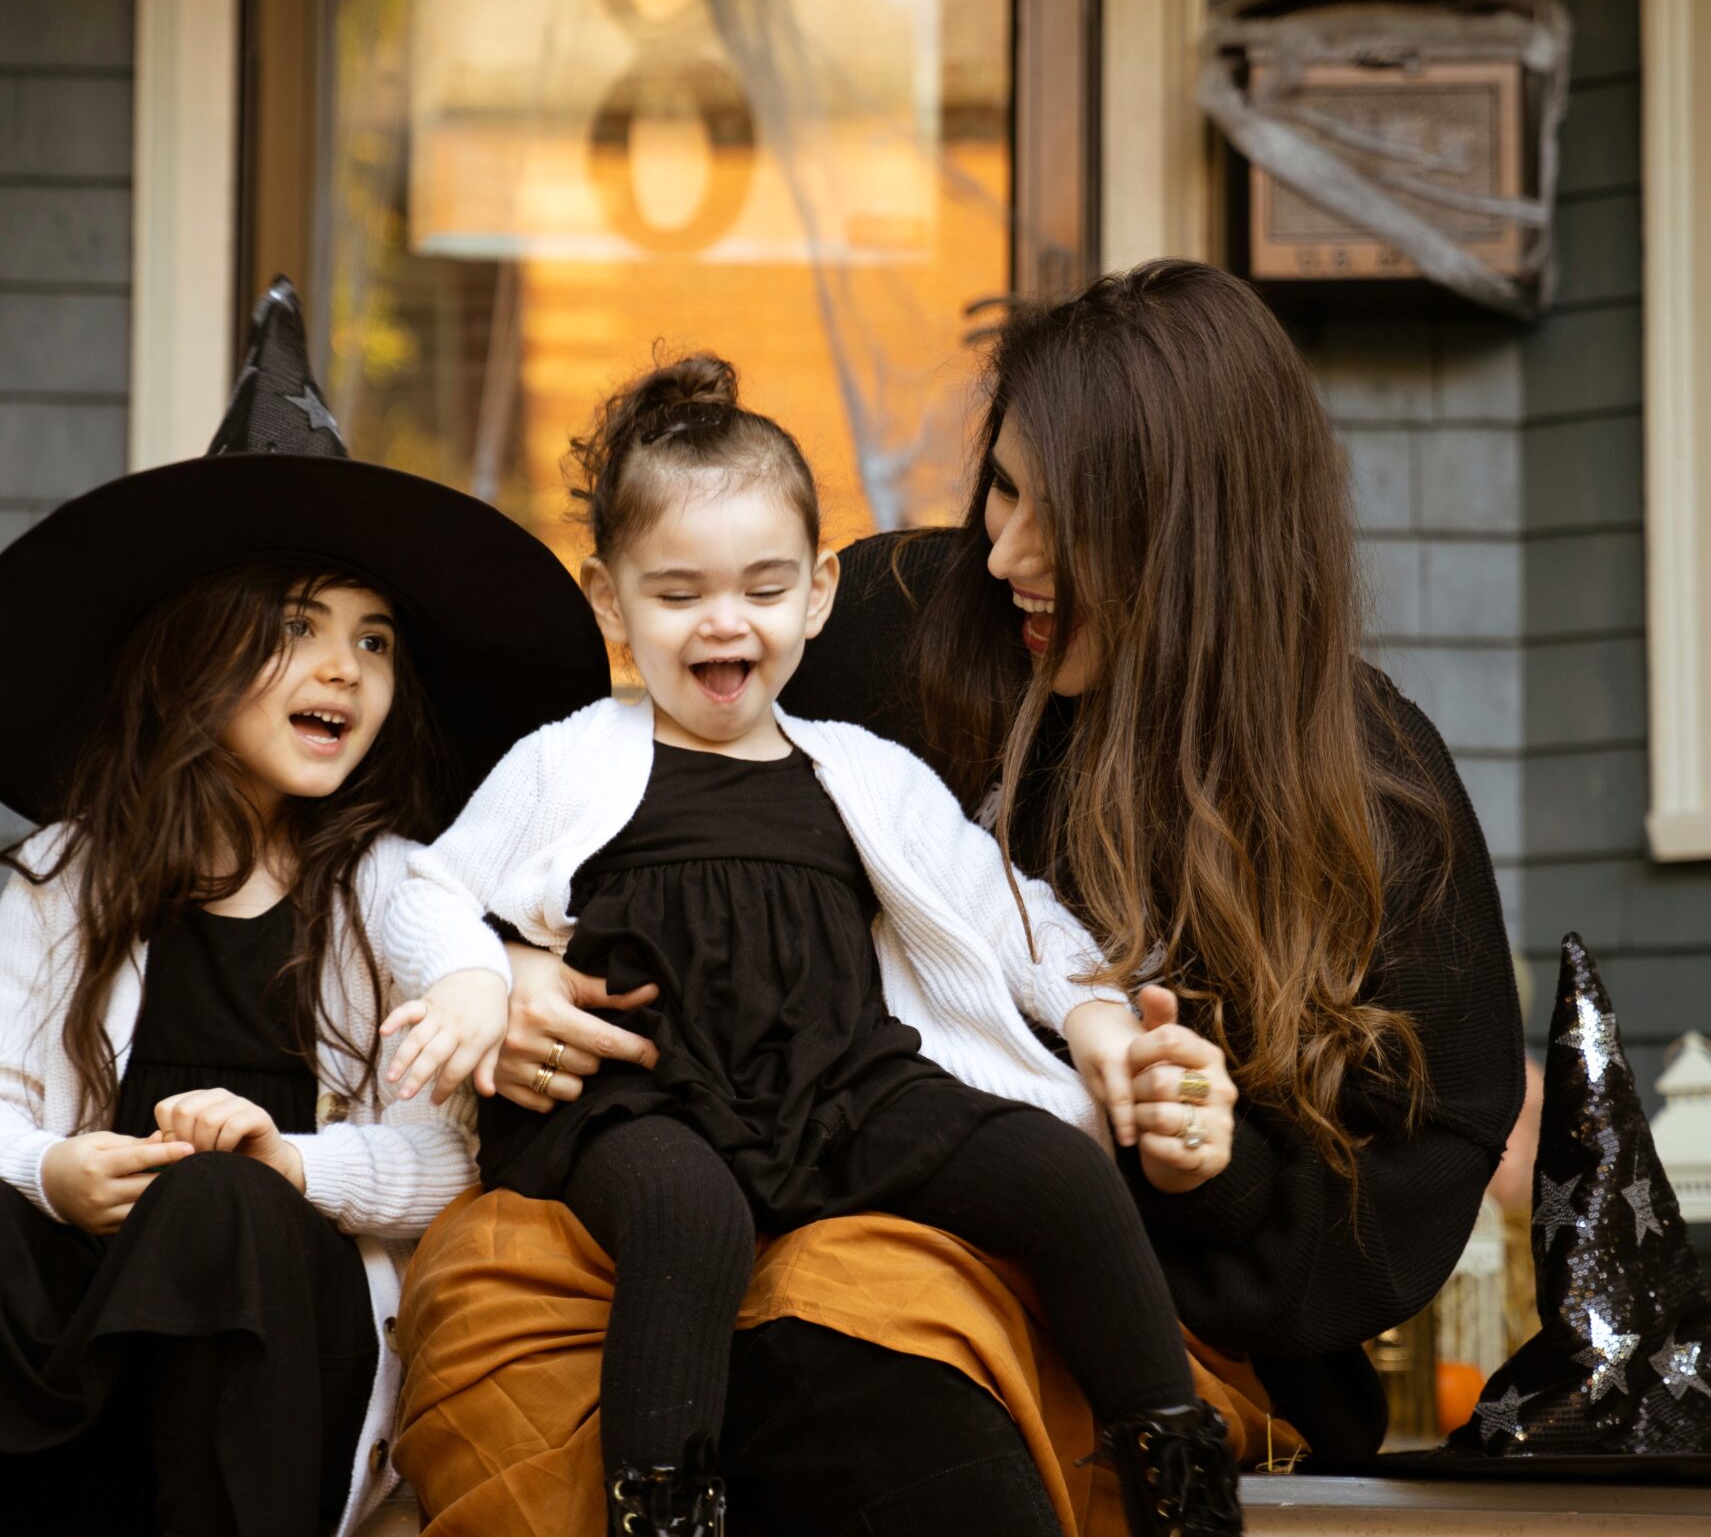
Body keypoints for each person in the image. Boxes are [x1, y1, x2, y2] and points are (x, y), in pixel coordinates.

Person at [394, 260, 1526, 1536]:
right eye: (1000, 485)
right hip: (733, 1198)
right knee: (504, 1282)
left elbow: (1400, 1185)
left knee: (850, 1312)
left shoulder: (1372, 783)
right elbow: (574, 806)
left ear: (1198, 533)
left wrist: (1202, 1158)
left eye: (1069, 516)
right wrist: (520, 963)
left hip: (1114, 1297)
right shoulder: (886, 626)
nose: (1006, 552)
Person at [0, 282, 608, 1537]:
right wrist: (55, 1172)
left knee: (215, 1206)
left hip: (258, 1374)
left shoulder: (385, 883)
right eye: (297, 629)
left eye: (374, 644)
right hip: (82, 1350)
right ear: (196, 660)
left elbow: (442, 1166)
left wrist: (285, 1159)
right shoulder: (77, 870)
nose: (345, 671)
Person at [379, 356, 1246, 1537]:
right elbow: (423, 888)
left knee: (1053, 1169)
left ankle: (1179, 1477)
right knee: (693, 1220)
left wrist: (1091, 1012)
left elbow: (1005, 907)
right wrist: (479, 974)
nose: (724, 621)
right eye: (676, 594)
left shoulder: (863, 772)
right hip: (639, 1098)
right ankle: (667, 1510)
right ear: (608, 598)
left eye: (762, 586)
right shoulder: (570, 758)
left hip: (836, 1084)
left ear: (819, 591)